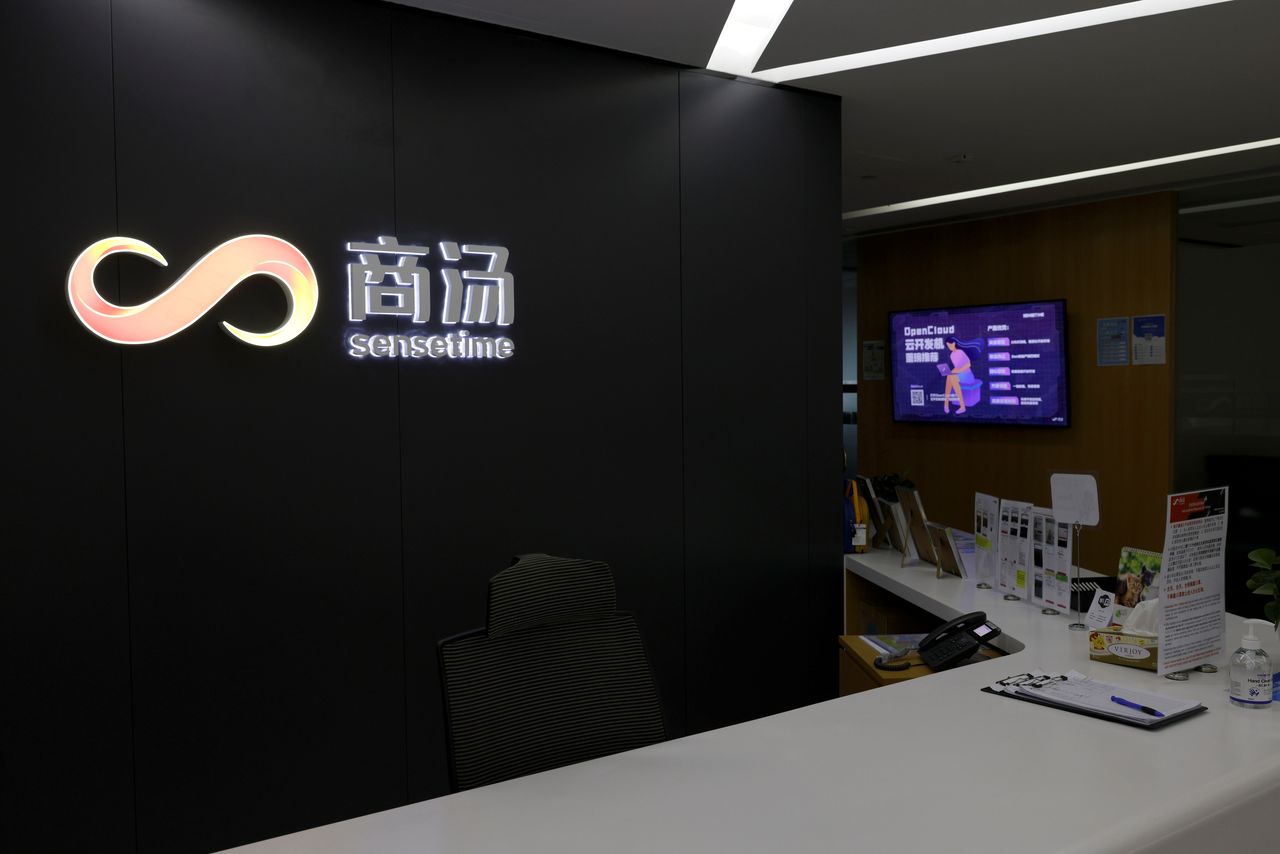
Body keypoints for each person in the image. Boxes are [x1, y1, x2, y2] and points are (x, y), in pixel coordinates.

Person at [943, 336, 976, 414]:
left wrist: (958, 371)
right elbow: (957, 367)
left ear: (954, 343)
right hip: (959, 375)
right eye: (948, 346)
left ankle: (955, 405)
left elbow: (968, 364)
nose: (949, 347)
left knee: (951, 377)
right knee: (950, 376)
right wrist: (952, 371)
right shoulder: (951, 355)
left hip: (968, 375)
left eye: (950, 345)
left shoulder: (960, 352)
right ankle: (950, 404)